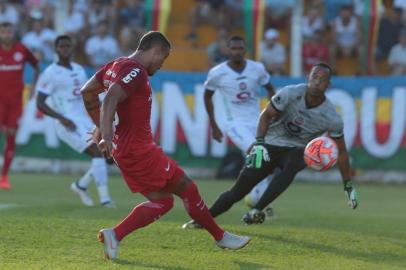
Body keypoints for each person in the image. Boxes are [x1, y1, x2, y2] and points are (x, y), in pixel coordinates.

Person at [80, 31, 251, 260]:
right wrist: (106, 134)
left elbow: (88, 92)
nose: (162, 65)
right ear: (156, 51)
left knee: (163, 202)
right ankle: (221, 237)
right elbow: (110, 98)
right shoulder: (135, 70)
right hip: (138, 151)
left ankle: (115, 235)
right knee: (187, 188)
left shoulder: (114, 65)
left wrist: (101, 127)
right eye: (164, 58)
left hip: (127, 151)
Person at [182, 63, 359, 228]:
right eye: (314, 77)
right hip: (270, 144)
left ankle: (257, 210)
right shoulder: (290, 93)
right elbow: (266, 115)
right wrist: (259, 144)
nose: (317, 82)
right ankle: (201, 221)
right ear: (308, 78)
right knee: (237, 192)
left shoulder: (331, 117)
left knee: (296, 162)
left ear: (329, 84)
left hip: (296, 149)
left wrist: (347, 184)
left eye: (322, 80)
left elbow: (341, 152)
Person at [195, 35, 276, 225]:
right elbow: (207, 97)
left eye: (240, 48)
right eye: (233, 48)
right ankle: (259, 200)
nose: (237, 51)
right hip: (234, 124)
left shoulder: (257, 68)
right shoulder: (217, 72)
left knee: (267, 161)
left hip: (257, 121)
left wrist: (273, 112)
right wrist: (214, 125)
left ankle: (255, 197)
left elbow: (271, 89)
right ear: (228, 50)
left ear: (245, 50)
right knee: (257, 154)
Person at [36, 35, 114, 208]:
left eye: (67, 46)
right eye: (61, 46)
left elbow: (88, 95)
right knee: (98, 153)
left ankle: (81, 185)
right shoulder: (50, 73)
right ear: (56, 49)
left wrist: (100, 116)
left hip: (85, 121)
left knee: (109, 156)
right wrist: (61, 118)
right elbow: (39, 103)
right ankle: (105, 200)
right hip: (67, 123)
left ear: (72, 48)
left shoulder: (79, 69)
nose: (65, 49)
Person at [0, 22, 39, 190]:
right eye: (3, 32)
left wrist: (33, 88)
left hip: (15, 100)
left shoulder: (22, 49)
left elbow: (37, 66)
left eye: (9, 31)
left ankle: (4, 177)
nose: (6, 34)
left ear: (13, 32)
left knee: (11, 135)